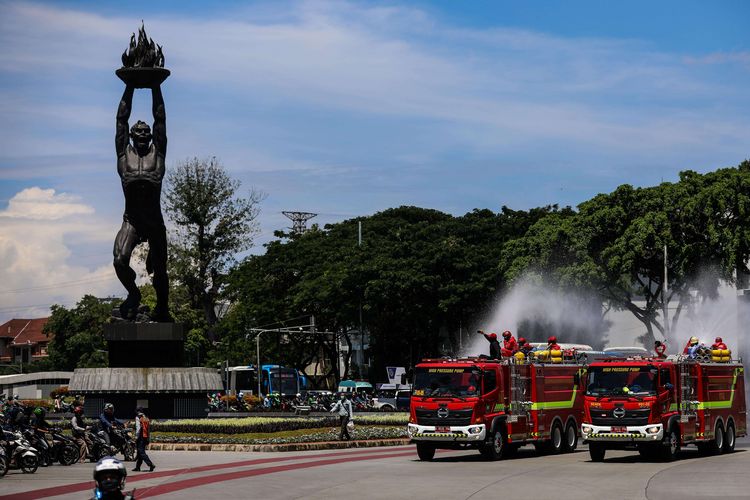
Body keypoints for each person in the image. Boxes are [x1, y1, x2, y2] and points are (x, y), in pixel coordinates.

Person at [113, 83, 171, 322]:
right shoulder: (123, 155)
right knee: (119, 260)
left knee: (160, 273)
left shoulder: (158, 154)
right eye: (139, 133)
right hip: (133, 221)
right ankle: (134, 295)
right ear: (131, 136)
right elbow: (120, 119)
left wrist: (156, 87)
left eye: (147, 133)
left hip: (154, 222)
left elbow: (160, 120)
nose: (144, 136)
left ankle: (162, 309)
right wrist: (129, 86)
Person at [132, 407, 155, 472]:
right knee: (139, 452)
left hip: (141, 437)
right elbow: (148, 429)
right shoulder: (146, 417)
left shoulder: (138, 417)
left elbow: (138, 428)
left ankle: (150, 464)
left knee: (141, 452)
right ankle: (137, 467)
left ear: (137, 411)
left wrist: (136, 437)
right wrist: (148, 439)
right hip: (145, 436)